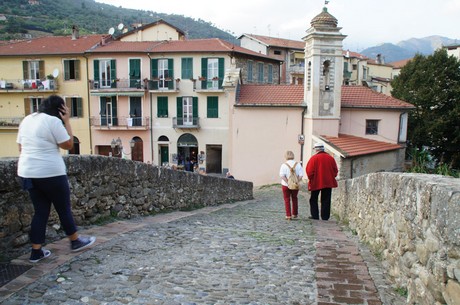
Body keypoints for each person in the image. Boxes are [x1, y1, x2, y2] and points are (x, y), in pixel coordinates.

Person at [17, 95, 96, 263]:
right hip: (50, 172)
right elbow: (68, 144)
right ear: (60, 110)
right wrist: (66, 121)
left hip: (27, 172)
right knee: (63, 208)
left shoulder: (27, 120)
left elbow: (20, 146)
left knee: (40, 211)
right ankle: (75, 241)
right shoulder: (53, 121)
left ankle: (36, 251)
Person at [306, 142, 338, 220]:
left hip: (316, 182)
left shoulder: (313, 158)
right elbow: (335, 171)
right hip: (328, 182)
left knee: (313, 199)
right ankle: (325, 216)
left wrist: (311, 179)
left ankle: (315, 215)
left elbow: (309, 171)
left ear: (316, 150)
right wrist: (331, 176)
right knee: (326, 199)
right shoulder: (330, 158)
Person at [279, 150, 303, 220]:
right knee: (294, 198)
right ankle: (295, 214)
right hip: (295, 185)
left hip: (285, 185)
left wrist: (288, 182)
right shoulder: (298, 164)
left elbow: (282, 176)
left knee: (287, 199)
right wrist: (296, 181)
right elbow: (301, 175)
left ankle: (288, 215)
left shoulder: (284, 165)